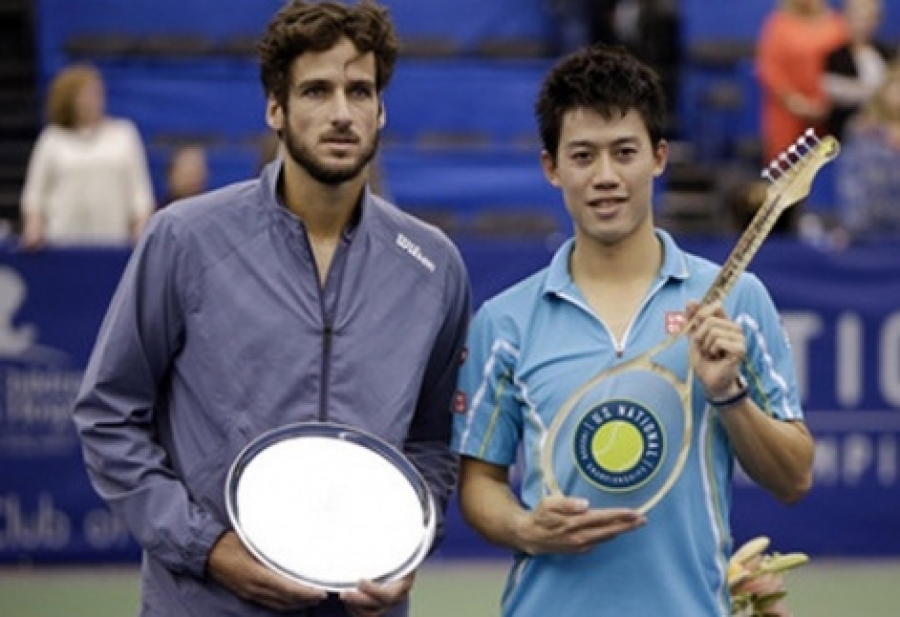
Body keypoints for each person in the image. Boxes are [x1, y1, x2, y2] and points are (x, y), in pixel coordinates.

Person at [71, 2, 471, 617]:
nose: (341, 112)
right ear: (275, 109)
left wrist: (408, 546)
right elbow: (108, 414)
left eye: (359, 91)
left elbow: (433, 444)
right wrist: (208, 549)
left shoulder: (432, 266)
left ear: (381, 109)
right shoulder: (184, 238)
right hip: (204, 604)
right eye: (316, 90)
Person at [451, 44, 814, 617]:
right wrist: (526, 526)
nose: (606, 177)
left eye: (625, 152)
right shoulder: (504, 320)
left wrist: (729, 394)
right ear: (552, 167)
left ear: (659, 157)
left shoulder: (736, 299)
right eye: (583, 156)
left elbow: (794, 477)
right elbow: (477, 483)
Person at [19, 63, 154, 249]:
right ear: (69, 99)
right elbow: (34, 195)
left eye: (98, 92)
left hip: (112, 244)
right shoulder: (52, 138)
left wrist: (140, 230)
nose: (95, 99)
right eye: (87, 93)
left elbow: (140, 193)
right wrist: (34, 227)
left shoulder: (124, 134)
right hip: (61, 244)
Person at [833, 61, 900, 244]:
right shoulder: (863, 127)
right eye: (895, 87)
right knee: (862, 152)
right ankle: (853, 228)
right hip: (869, 206)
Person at [822, 0, 894, 141]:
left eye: (868, 19)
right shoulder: (834, 57)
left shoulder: (888, 53)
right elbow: (836, 95)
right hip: (849, 134)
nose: (862, 25)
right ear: (844, 19)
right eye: (856, 18)